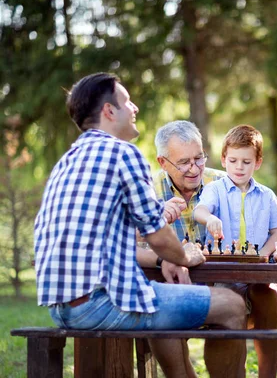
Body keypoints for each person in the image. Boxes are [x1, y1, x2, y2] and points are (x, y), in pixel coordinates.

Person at [34, 72, 247, 378]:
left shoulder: (68, 161)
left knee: (161, 295)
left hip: (60, 306)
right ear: (109, 111)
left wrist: (165, 258)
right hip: (100, 303)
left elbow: (113, 239)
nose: (134, 108)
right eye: (127, 101)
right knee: (231, 304)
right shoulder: (122, 153)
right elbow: (157, 234)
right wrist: (183, 256)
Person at [194, 124, 277, 375]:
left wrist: (266, 252)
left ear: (257, 162)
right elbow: (199, 210)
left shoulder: (267, 195)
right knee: (236, 310)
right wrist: (209, 219)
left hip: (262, 272)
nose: (239, 167)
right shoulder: (215, 190)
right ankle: (237, 368)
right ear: (223, 160)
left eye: (246, 161)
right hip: (227, 276)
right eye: (233, 160)